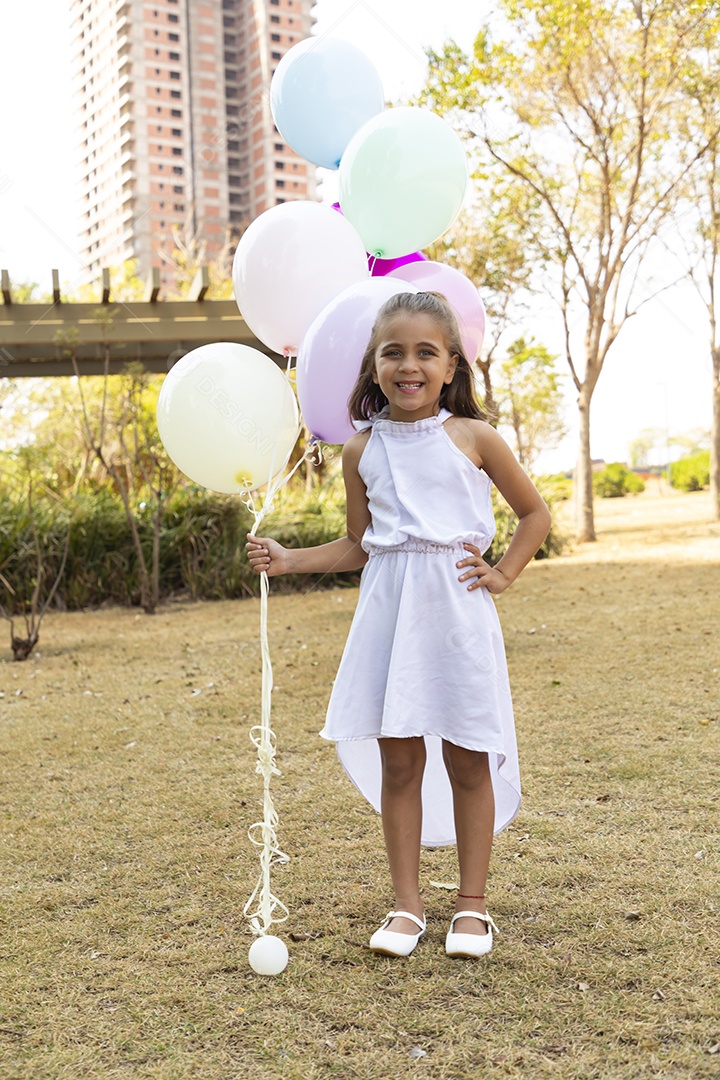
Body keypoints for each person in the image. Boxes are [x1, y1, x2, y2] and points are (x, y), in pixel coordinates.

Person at [246, 291, 551, 959]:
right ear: (373, 365)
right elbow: (361, 543)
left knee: (468, 757)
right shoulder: (362, 450)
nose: (408, 365)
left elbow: (535, 515)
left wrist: (501, 574)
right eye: (393, 352)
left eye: (425, 353)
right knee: (401, 760)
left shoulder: (474, 437)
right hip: (390, 618)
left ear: (450, 367)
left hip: (456, 616)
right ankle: (407, 905)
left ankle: (472, 906)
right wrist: (291, 559)